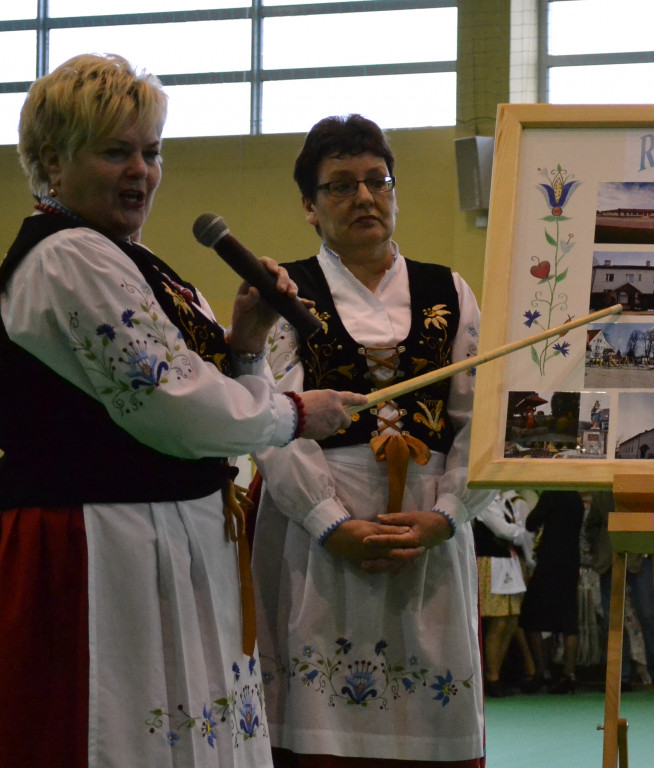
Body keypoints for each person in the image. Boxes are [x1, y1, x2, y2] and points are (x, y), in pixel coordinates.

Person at [0, 53, 363, 768]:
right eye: (115, 153)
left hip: (159, 537)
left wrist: (250, 342)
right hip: (102, 544)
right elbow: (171, 406)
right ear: (50, 160)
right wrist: (293, 413)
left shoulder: (133, 260)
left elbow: (202, 393)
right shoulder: (71, 256)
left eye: (152, 152)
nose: (141, 171)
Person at [250, 114, 492, 767]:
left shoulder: (453, 292)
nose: (364, 197)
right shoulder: (285, 294)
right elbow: (272, 423)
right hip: (320, 551)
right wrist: (332, 524)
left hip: (431, 550)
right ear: (308, 205)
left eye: (377, 181)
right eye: (341, 186)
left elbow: (483, 420)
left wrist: (447, 516)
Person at [584, 492, 654, 695]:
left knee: (648, 615)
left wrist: (648, 550)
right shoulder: (602, 495)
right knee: (612, 621)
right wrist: (599, 553)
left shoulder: (641, 493)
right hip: (609, 562)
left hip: (639, 559)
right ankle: (620, 677)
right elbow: (591, 526)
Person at [518, 490, 585, 694]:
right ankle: (569, 674)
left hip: (549, 563)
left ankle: (542, 671)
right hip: (571, 563)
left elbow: (530, 523)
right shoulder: (576, 498)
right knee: (569, 620)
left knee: (530, 616)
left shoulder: (551, 494)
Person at [473, 489, 537, 698]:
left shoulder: (507, 501)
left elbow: (517, 529)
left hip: (509, 564)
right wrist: (521, 532)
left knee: (511, 621)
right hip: (492, 563)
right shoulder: (485, 501)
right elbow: (504, 530)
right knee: (498, 622)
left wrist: (519, 531)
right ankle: (491, 678)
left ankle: (495, 673)